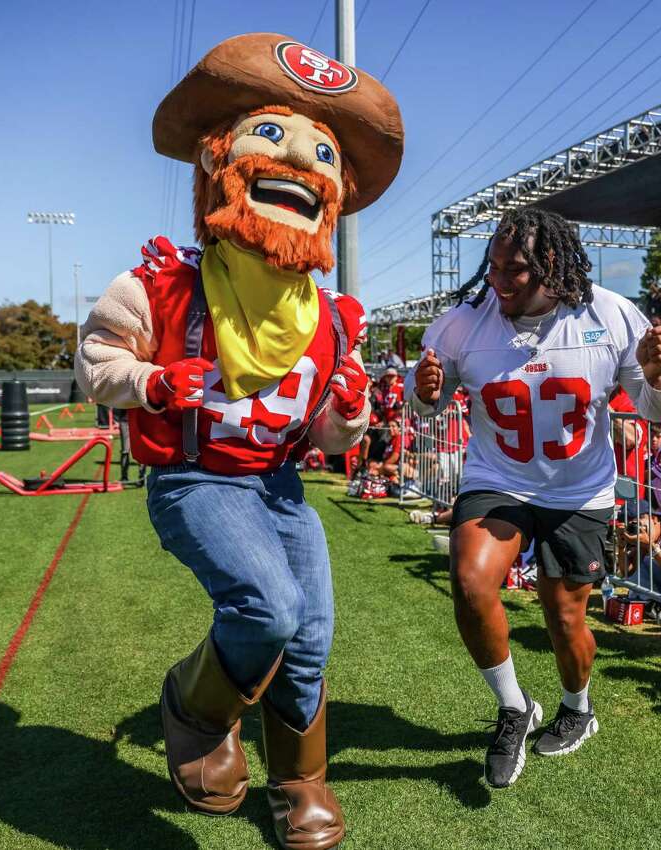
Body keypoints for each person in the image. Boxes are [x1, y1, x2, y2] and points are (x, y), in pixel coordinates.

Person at [75, 33, 402, 849]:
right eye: (272, 136)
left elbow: (327, 435)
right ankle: (193, 708)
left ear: (335, 195)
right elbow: (96, 357)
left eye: (322, 154)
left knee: (313, 632)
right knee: (268, 607)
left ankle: (300, 781)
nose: (300, 162)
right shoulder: (161, 281)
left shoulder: (331, 318)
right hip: (195, 477)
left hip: (279, 483)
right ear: (219, 162)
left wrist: (352, 412)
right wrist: (150, 383)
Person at [405, 206, 661, 788]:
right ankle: (513, 707)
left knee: (564, 615)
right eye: (495, 266)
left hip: (579, 490)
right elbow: (425, 402)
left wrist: (656, 377)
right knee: (471, 581)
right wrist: (424, 392)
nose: (501, 280)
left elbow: (659, 409)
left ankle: (578, 709)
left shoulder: (611, 314)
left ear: (553, 266)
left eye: (518, 269)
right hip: (497, 479)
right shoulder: (464, 322)